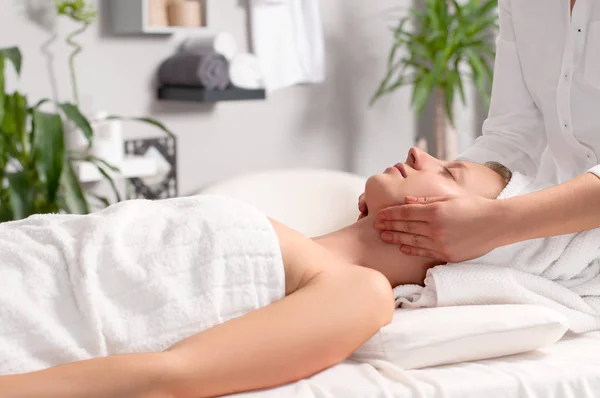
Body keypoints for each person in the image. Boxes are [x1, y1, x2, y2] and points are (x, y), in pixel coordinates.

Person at [0, 148, 509, 398]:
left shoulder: (361, 292)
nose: (419, 153)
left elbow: (172, 376)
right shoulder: (297, 235)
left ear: (465, 236)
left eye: (449, 174)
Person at [359, 0, 600, 263]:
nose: (415, 155)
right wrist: (427, 198)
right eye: (450, 174)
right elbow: (511, 133)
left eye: (449, 173)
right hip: (565, 249)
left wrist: (496, 223)